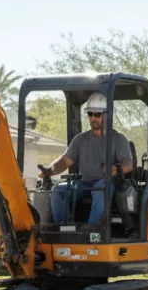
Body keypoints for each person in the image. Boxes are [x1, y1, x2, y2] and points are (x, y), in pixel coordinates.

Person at [40, 92, 133, 226]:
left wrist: (116, 168)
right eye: (90, 114)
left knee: (101, 188)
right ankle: (64, 229)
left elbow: (128, 163)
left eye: (97, 114)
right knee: (58, 190)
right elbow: (65, 161)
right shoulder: (80, 139)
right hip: (84, 184)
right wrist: (49, 170)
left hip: (105, 183)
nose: (93, 118)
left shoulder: (119, 139)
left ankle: (92, 230)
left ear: (107, 114)